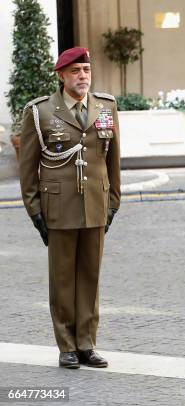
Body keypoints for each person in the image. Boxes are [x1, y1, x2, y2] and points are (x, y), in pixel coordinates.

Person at [19, 47, 121, 368]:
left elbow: (113, 159)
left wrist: (113, 202)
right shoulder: (41, 112)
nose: (83, 77)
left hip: (95, 203)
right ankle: (66, 345)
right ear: (61, 76)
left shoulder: (105, 107)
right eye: (75, 71)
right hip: (59, 206)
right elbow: (28, 169)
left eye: (86, 71)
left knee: (90, 276)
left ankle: (87, 343)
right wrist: (36, 212)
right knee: (63, 278)